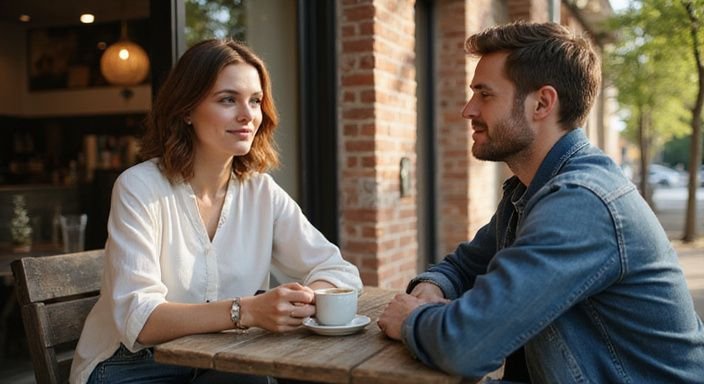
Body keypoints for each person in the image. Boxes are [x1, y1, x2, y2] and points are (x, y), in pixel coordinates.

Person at [377, 21, 704, 383]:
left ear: (542, 103)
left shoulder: (583, 202)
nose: (467, 110)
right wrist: (431, 289)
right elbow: (464, 266)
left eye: (485, 95)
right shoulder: (528, 191)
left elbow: (466, 345)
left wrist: (411, 319)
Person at [70, 38, 362, 384]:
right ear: (186, 110)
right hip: (133, 365)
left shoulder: (260, 190)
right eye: (228, 100)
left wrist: (304, 299)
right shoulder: (139, 187)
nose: (247, 115)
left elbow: (336, 270)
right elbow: (142, 321)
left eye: (255, 101)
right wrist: (248, 311)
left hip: (222, 358)